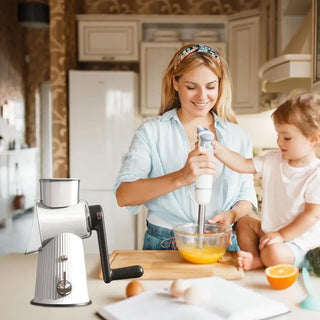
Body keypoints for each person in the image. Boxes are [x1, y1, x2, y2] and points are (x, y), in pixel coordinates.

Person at [114, 43, 257, 250]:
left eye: (210, 87)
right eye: (191, 87)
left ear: (220, 85)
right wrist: (182, 177)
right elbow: (124, 196)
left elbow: (246, 194)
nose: (202, 97)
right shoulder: (152, 132)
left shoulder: (238, 136)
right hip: (165, 243)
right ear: (175, 83)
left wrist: (232, 215)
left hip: (221, 242)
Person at [213, 93, 320, 270]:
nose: (278, 141)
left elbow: (312, 215)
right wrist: (217, 149)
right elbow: (242, 164)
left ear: (313, 139)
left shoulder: (315, 174)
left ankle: (264, 260)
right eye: (278, 135)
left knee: (274, 253)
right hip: (272, 234)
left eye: (286, 137)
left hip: (298, 242)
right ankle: (254, 257)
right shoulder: (273, 160)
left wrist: (281, 235)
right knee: (244, 222)